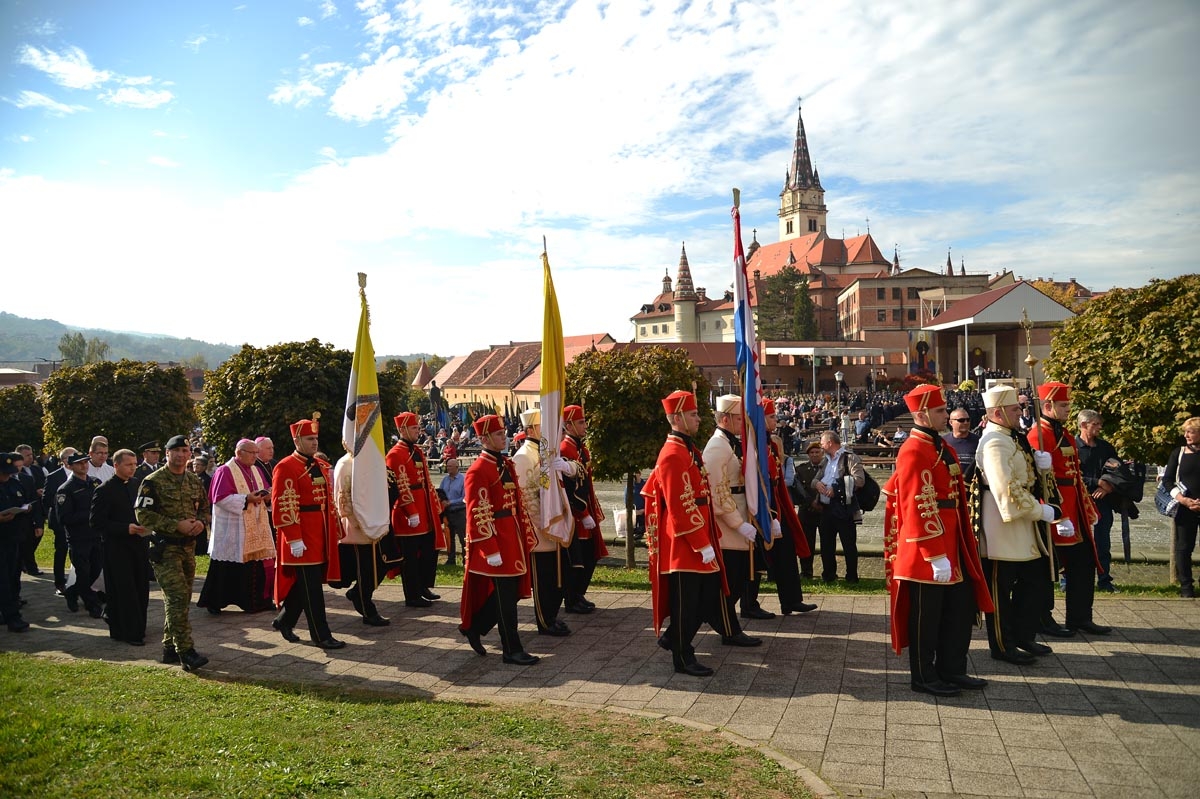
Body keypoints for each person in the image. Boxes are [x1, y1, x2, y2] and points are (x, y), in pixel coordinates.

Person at [884, 385, 993, 697]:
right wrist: (934, 554)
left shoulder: (937, 445)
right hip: (928, 549)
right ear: (922, 415)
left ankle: (952, 669)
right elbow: (916, 503)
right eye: (941, 411)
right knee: (926, 619)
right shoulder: (914, 449)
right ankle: (923, 676)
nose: (947, 415)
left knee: (958, 611)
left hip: (952, 540)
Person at [643, 389, 729, 676]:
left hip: (699, 533)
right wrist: (700, 543)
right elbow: (680, 505)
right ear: (677, 418)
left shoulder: (687, 448)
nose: (698, 418)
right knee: (687, 603)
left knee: (706, 599)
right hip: (684, 542)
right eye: (693, 414)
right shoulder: (672, 454)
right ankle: (682, 656)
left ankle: (673, 639)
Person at [975, 386, 1059, 665]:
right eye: (1014, 409)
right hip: (1002, 526)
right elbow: (1006, 488)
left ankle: (1024, 635)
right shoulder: (995, 442)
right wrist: (1040, 510)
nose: (1020, 413)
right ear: (997, 413)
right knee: (1000, 590)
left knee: (1033, 582)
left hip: (1022, 525)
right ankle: (1002, 644)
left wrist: (1041, 466)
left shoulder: (1011, 437)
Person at [457, 414, 538, 665]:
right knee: (506, 598)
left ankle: (476, 627)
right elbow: (477, 512)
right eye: (499, 434)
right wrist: (490, 548)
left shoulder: (504, 463)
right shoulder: (478, 469)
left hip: (512, 535)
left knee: (511, 593)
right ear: (484, 438)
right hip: (496, 538)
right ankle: (511, 649)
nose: (505, 437)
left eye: (504, 433)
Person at [1029, 382, 1109, 635]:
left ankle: (1080, 616)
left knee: (1084, 564)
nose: (1068, 410)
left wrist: (1086, 508)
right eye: (1063, 405)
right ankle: (1043, 619)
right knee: (1047, 568)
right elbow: (1041, 481)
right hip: (1056, 510)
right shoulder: (1038, 434)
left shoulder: (1062, 432)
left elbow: (1075, 474)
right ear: (1048, 406)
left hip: (1074, 507)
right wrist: (1057, 514)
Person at [135, 435, 211, 671]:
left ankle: (169, 647)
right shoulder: (152, 481)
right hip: (165, 548)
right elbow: (143, 515)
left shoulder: (193, 481)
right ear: (167, 454)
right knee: (177, 598)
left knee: (182, 599)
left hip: (187, 548)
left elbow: (205, 507)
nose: (180, 454)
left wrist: (199, 523)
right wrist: (174, 525)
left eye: (184, 450)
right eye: (175, 450)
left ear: (190, 454)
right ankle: (186, 651)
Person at [270, 416, 344, 649]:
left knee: (306, 585)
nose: (314, 443)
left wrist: (335, 529)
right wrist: (293, 538)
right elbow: (283, 504)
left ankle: (284, 621)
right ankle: (321, 635)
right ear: (297, 440)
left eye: (316, 438)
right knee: (312, 589)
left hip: (320, 533)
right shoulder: (285, 466)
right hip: (301, 535)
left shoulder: (319, 465)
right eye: (309, 439)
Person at [703, 394, 765, 646]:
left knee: (737, 581)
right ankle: (729, 630)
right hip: (728, 526)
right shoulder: (718, 446)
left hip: (739, 517)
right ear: (726, 419)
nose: (743, 423)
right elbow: (717, 490)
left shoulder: (730, 444)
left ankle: (719, 627)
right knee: (731, 583)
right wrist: (737, 523)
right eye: (740, 419)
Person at [510, 408, 572, 637]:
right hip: (540, 530)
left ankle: (553, 616)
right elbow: (526, 495)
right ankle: (545, 621)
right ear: (531, 429)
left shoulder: (545, 452)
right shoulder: (524, 456)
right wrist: (544, 524)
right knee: (544, 580)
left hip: (553, 525)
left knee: (558, 577)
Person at [197, 439, 276, 614]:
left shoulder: (255, 469)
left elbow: (264, 490)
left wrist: (267, 496)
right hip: (233, 528)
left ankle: (256, 602)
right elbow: (220, 499)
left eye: (257, 452)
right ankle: (215, 602)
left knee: (255, 566)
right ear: (239, 453)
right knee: (226, 567)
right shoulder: (225, 470)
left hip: (255, 524)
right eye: (252, 453)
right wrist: (246, 499)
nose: (256, 456)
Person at [90, 449, 149, 645]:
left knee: (141, 586)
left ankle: (138, 625)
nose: (133, 468)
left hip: (138, 545)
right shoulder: (104, 490)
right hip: (117, 548)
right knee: (125, 590)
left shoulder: (136, 484)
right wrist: (125, 528)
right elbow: (96, 523)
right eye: (128, 465)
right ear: (116, 465)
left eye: (134, 464)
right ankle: (129, 631)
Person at [763, 398, 816, 615]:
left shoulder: (771, 443)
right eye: (772, 416)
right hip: (764, 507)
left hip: (778, 504)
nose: (776, 419)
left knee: (786, 552)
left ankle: (791, 600)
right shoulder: (756, 445)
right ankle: (749, 605)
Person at [385, 411, 444, 607]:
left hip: (424, 507)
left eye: (418, 428)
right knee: (410, 557)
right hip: (408, 513)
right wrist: (411, 511)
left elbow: (426, 480)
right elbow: (401, 486)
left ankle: (423, 586)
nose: (418, 431)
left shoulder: (416, 451)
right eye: (414, 428)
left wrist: (433, 506)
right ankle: (412, 595)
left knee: (427, 551)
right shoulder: (395, 454)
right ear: (402, 430)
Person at [332, 453, 392, 627]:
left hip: (376, 524)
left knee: (381, 565)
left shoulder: (372, 460)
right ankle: (366, 608)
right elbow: (342, 498)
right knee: (365, 569)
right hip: (357, 527)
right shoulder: (345, 464)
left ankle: (358, 593)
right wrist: (356, 523)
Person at [559, 405, 608, 614]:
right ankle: (572, 598)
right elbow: (571, 488)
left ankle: (578, 594)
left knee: (590, 555)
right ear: (568, 425)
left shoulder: (581, 448)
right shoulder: (566, 449)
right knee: (578, 558)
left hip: (586, 508)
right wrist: (583, 513)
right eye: (581, 423)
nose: (585, 426)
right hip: (576, 513)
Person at [1075, 409, 1121, 594]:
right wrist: (1096, 482)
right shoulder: (1072, 447)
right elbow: (1071, 473)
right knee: (1076, 543)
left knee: (1103, 542)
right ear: (1084, 425)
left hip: (1102, 502)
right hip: (1078, 500)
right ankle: (1071, 580)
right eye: (1096, 424)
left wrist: (1108, 486)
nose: (1100, 427)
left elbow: (1117, 470)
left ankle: (1104, 579)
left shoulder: (1105, 447)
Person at [811, 431, 865, 583]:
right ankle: (828, 575)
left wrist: (837, 488)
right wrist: (818, 484)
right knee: (826, 544)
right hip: (826, 508)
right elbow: (814, 480)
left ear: (829, 443)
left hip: (843, 508)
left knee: (848, 544)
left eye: (822, 442)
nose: (821, 446)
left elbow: (859, 481)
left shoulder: (850, 458)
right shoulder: (825, 461)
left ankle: (851, 577)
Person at [57, 453, 104, 618]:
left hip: (96, 536)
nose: (84, 466)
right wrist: (89, 513)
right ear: (70, 466)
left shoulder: (95, 482)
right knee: (83, 573)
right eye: (79, 464)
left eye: (85, 462)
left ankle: (72, 591)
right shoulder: (66, 489)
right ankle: (92, 605)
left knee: (94, 571)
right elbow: (64, 518)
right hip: (78, 539)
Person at [1163, 417, 1200, 598]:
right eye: (1185, 432)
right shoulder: (1178, 453)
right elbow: (1168, 480)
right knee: (1184, 547)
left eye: (1190, 431)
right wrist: (1183, 500)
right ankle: (1186, 587)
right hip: (1185, 507)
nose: (1186, 435)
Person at [0, 452, 33, 632]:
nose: (6, 476)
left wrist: (25, 509)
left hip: (14, 538)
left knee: (13, 577)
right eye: (3, 472)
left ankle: (10, 610)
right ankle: (12, 617)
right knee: (3, 579)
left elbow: (23, 500)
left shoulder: (14, 483)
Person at [44, 447, 77, 595]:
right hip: (60, 521)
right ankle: (60, 582)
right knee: (61, 550)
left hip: (78, 522)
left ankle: (76, 581)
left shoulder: (82, 474)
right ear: (64, 461)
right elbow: (47, 499)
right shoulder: (53, 477)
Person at [793, 441, 825, 580]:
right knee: (806, 543)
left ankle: (829, 572)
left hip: (825, 511)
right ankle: (806, 572)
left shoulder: (828, 468)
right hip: (807, 511)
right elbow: (798, 490)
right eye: (811, 452)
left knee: (827, 544)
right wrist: (810, 502)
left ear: (822, 453)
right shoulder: (801, 469)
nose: (814, 455)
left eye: (817, 452)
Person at [14, 445, 46, 577]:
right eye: (27, 455)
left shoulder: (34, 472)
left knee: (32, 539)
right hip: (14, 520)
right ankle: (27, 565)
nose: (31, 457)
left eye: (31, 454)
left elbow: (35, 496)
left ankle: (27, 565)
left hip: (32, 512)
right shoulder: (10, 478)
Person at [439, 457, 466, 566]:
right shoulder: (445, 480)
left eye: (450, 466)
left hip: (459, 512)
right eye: (447, 466)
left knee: (462, 538)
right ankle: (451, 560)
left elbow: (465, 497)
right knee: (450, 538)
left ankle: (465, 559)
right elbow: (440, 492)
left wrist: (451, 502)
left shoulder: (463, 480)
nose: (448, 468)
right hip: (448, 513)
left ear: (456, 467)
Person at [943, 409, 980, 484]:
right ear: (951, 422)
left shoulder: (979, 441)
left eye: (968, 420)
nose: (966, 423)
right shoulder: (943, 442)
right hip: (950, 487)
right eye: (961, 420)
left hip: (972, 488)